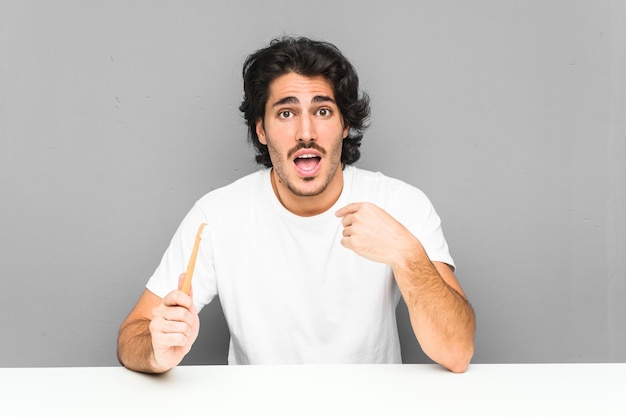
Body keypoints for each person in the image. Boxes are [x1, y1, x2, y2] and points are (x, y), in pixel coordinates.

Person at [117, 36, 475, 374]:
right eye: (286, 114)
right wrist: (156, 349)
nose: (306, 132)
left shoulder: (401, 204)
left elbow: (457, 351)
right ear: (261, 129)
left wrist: (407, 254)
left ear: (345, 123)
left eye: (322, 111)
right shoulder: (217, 216)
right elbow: (132, 335)